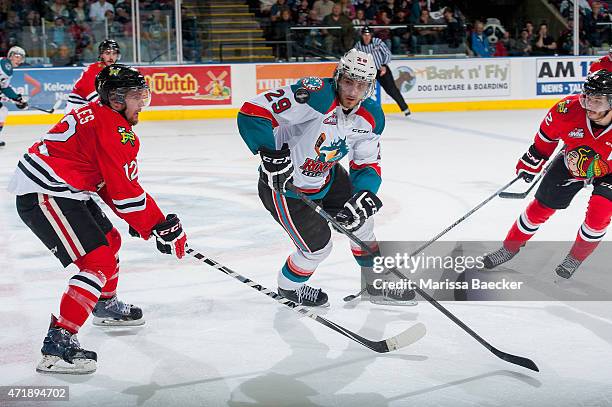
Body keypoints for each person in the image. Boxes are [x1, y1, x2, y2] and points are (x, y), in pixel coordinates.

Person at [7, 64, 188, 374]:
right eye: (136, 96)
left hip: (65, 186)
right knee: (98, 262)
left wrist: (145, 221)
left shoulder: (102, 114)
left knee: (110, 241)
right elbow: (125, 194)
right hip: (45, 193)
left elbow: (105, 181)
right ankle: (58, 342)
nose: (142, 102)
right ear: (116, 99)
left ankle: (104, 303)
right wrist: (159, 225)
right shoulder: (113, 130)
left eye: (143, 94)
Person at [237, 49, 415, 306]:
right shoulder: (316, 96)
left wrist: (365, 192)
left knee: (361, 225)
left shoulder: (371, 116)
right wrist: (271, 154)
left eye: (361, 85)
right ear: (338, 77)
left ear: (370, 87)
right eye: (348, 82)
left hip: (328, 176)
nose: (353, 92)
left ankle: (376, 284)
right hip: (285, 186)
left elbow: (366, 163)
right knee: (318, 248)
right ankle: (289, 287)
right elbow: (253, 112)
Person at [483, 70, 612, 280]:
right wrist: (532, 161)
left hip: (610, 172)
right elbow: (546, 137)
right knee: (540, 207)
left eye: (597, 100)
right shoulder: (568, 109)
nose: (589, 105)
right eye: (587, 97)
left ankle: (575, 258)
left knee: (600, 211)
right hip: (574, 161)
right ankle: (509, 247)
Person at [354, 26, 411, 116]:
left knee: (391, 90)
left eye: (368, 35)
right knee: (362, 90)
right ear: (362, 35)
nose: (366, 37)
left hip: (381, 70)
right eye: (365, 35)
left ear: (371, 35)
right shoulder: (358, 45)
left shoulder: (377, 42)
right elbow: (355, 58)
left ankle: (405, 109)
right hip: (368, 71)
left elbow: (387, 53)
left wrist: (384, 65)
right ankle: (358, 111)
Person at [65, 39, 120, 113]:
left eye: (114, 53)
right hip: (77, 109)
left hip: (91, 109)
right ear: (101, 55)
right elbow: (94, 99)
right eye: (107, 53)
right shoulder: (92, 70)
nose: (111, 57)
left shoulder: (113, 71)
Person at [0, 46, 28, 147]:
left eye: (21, 58)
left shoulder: (8, 68)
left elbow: (4, 87)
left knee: (2, 111)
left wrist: (17, 98)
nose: (19, 60)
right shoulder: (4, 64)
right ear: (10, 56)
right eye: (17, 56)